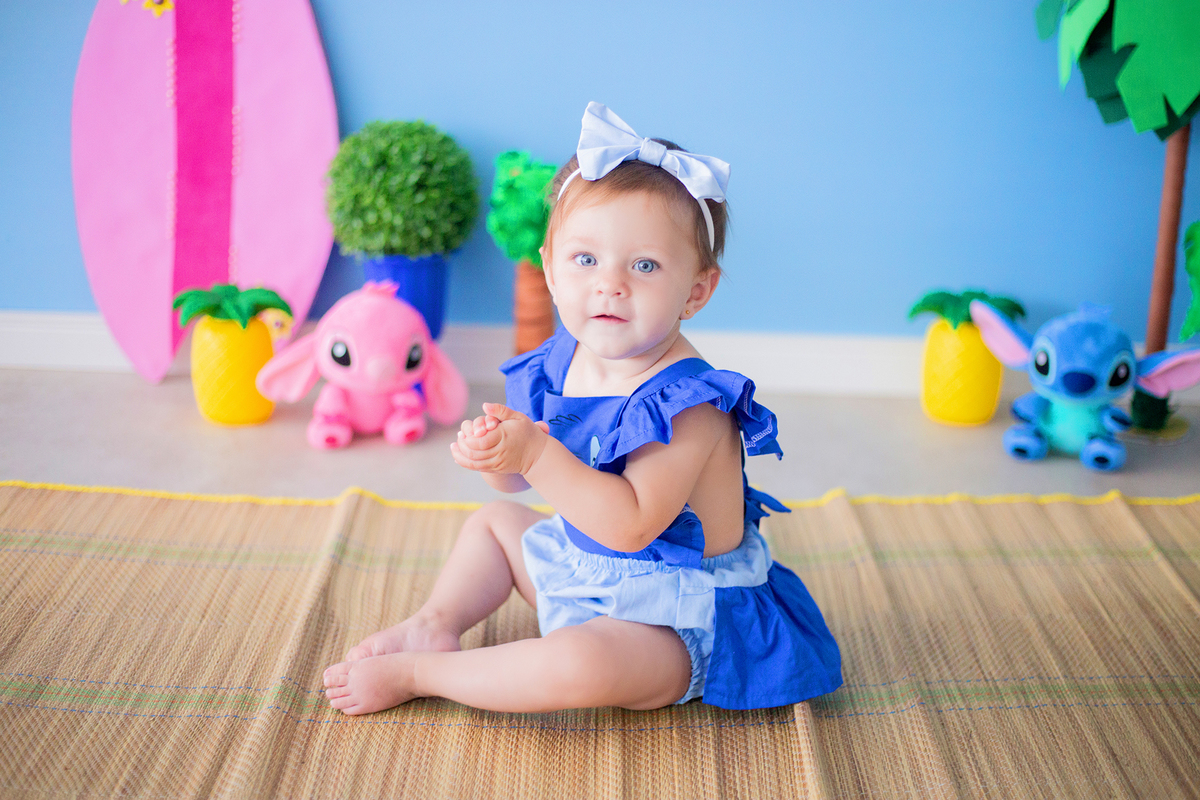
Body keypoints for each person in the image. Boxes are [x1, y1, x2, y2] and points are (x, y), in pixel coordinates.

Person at [323, 103, 842, 714]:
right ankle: (433, 622)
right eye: (585, 259)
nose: (609, 283)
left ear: (696, 291)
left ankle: (425, 673)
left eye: (644, 265)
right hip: (582, 569)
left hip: (676, 613)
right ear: (548, 268)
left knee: (581, 664)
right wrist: (499, 453)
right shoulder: (559, 359)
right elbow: (518, 481)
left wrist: (538, 452)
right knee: (492, 524)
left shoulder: (690, 402)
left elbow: (631, 524)